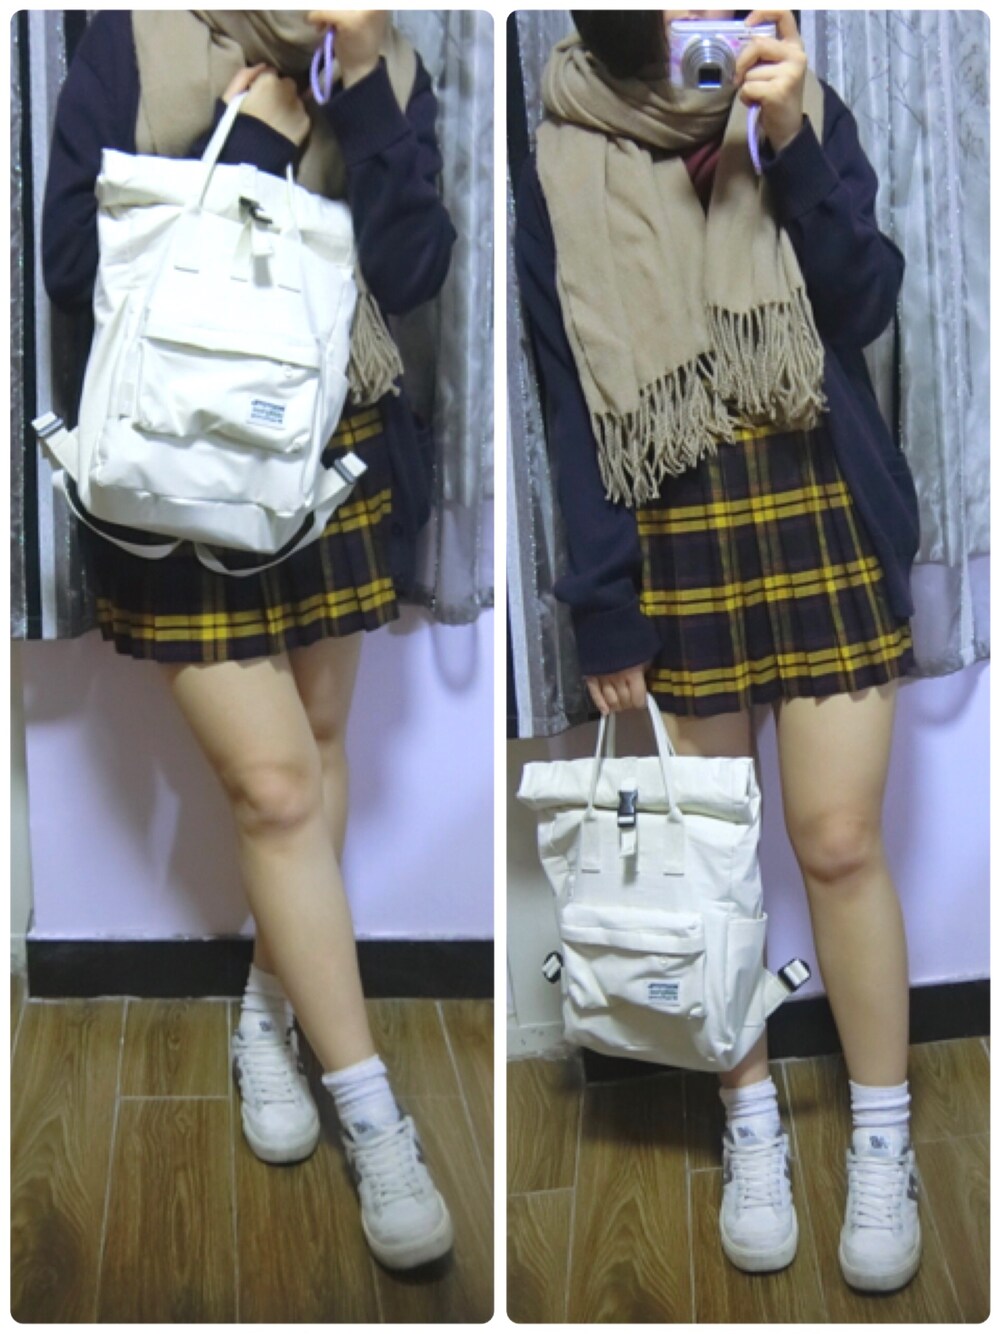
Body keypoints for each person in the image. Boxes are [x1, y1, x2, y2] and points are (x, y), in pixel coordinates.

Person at [515, 8, 922, 1293]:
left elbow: (863, 302)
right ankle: (750, 1122)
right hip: (672, 526)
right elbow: (567, 392)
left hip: (817, 503)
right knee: (712, 866)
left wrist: (791, 137)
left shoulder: (788, 105)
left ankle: (882, 1137)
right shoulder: (561, 144)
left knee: (837, 840)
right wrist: (602, 601)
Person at [43, 9, 457, 1271]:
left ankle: (270, 1017)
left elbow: (413, 268)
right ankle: (374, 1111)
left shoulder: (380, 50)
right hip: (176, 459)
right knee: (275, 786)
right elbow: (68, 260)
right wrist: (259, 155)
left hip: (328, 442)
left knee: (318, 747)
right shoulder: (131, 36)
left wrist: (364, 82)